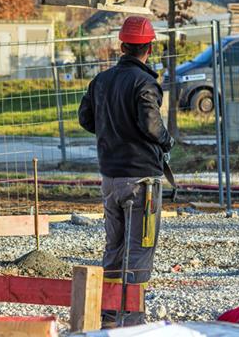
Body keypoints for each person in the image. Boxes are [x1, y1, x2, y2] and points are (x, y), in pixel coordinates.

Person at [78, 16, 173, 327]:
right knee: (139, 247)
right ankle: (131, 319)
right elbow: (150, 123)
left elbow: (86, 119)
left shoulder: (100, 81)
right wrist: (166, 139)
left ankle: (106, 313)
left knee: (115, 247)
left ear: (122, 46)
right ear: (148, 48)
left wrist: (111, 130)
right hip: (142, 181)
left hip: (111, 179)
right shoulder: (145, 83)